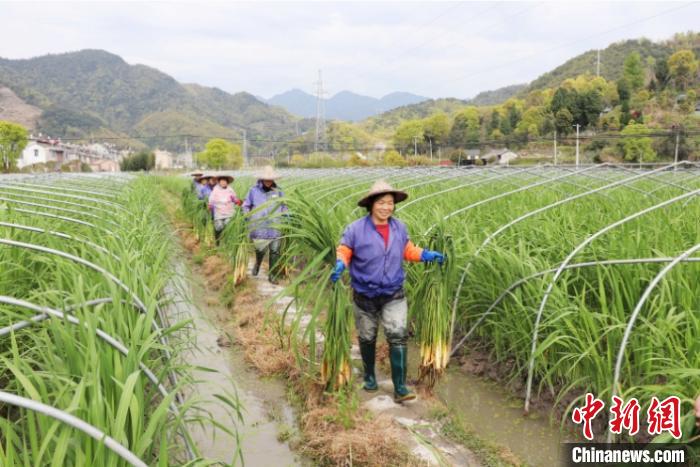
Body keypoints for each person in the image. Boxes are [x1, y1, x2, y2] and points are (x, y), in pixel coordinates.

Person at [330, 180, 445, 403]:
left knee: (398, 336)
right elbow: (344, 250)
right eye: (381, 203)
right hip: (364, 294)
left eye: (390, 203)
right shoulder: (356, 229)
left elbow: (407, 250)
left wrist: (426, 255)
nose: (386, 207)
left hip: (393, 292)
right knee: (367, 337)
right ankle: (370, 377)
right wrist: (340, 264)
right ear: (371, 205)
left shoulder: (399, 227)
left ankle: (400, 387)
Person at [242, 165, 287, 284]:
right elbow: (246, 205)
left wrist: (287, 215)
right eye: (266, 178)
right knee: (260, 250)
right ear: (262, 179)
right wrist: (248, 216)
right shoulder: (253, 190)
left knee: (275, 251)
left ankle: (272, 275)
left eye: (270, 178)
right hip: (259, 226)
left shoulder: (279, 191)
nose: (268, 181)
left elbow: (283, 206)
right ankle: (257, 263)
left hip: (275, 226)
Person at [208, 174, 242, 243]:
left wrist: (237, 201)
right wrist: (210, 205)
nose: (223, 183)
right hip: (219, 213)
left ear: (227, 182)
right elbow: (211, 200)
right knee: (219, 227)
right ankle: (217, 241)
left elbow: (235, 199)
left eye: (225, 181)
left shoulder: (230, 190)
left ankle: (226, 242)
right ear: (219, 182)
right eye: (221, 181)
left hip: (229, 213)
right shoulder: (215, 190)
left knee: (228, 226)